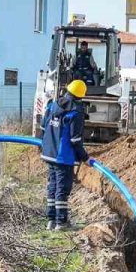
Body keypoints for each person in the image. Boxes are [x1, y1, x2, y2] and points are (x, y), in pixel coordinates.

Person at [40, 79, 90, 231]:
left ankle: (51, 220)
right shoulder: (76, 111)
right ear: (80, 96)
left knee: (52, 186)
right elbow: (75, 139)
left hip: (50, 153)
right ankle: (61, 222)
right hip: (64, 156)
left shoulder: (53, 105)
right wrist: (85, 157)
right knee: (62, 188)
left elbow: (43, 126)